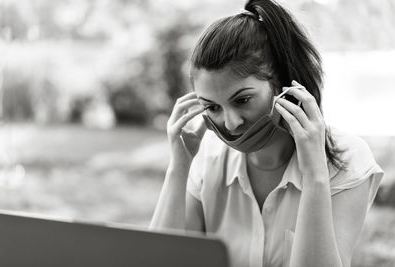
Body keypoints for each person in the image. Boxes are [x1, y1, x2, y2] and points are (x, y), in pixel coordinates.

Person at [149, 1, 384, 267]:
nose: (231, 124)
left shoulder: (347, 158)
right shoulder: (207, 158)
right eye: (212, 107)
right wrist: (179, 167)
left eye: (242, 100)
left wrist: (315, 175)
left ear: (283, 85)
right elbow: (159, 260)